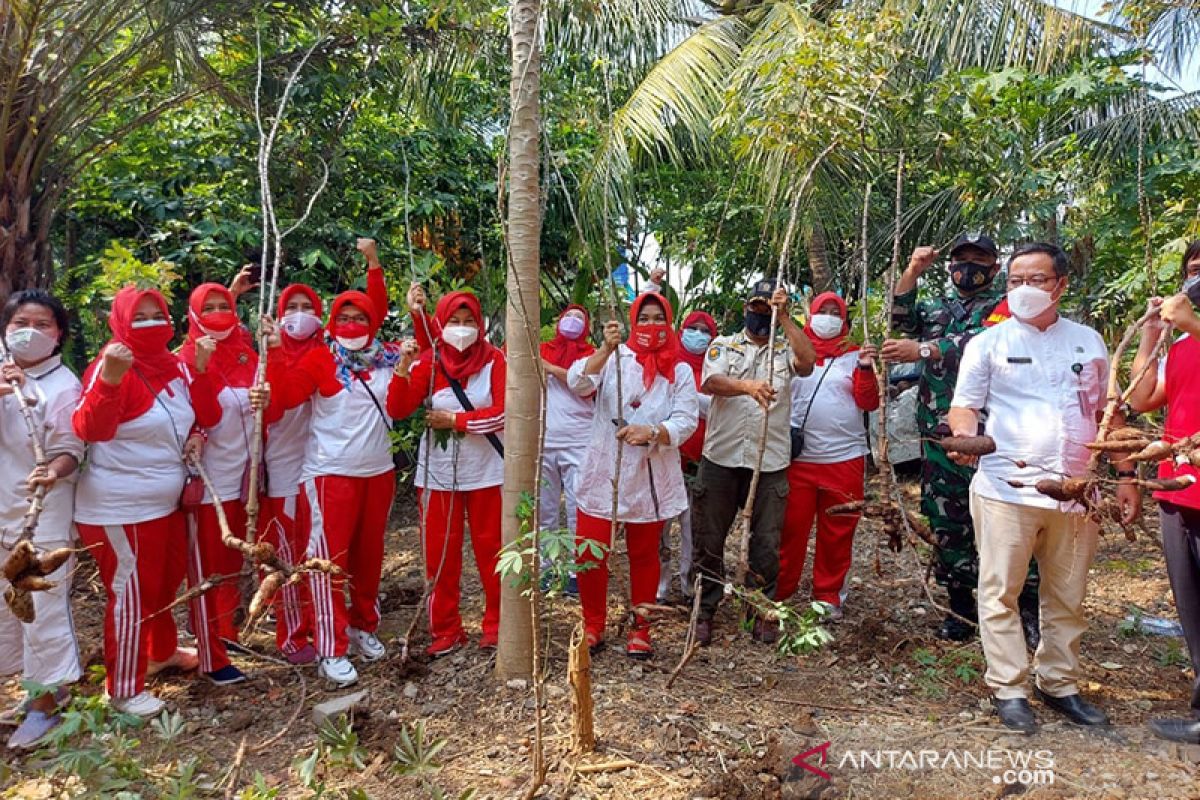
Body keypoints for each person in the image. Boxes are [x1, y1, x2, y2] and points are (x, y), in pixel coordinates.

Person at [948, 242, 1140, 734]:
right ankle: (1009, 688)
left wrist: (1123, 475)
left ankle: (1058, 683)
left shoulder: (1089, 341)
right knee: (999, 592)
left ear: (1060, 286)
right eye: (1015, 281)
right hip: (1006, 489)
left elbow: (1106, 416)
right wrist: (966, 436)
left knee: (1067, 594)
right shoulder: (987, 343)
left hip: (1078, 492)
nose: (1024, 290)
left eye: (1036, 280)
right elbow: (964, 406)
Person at [73, 286, 222, 717]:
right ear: (119, 322)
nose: (151, 323)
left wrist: (198, 436)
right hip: (121, 506)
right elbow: (89, 428)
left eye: (157, 314)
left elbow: (201, 415)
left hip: (166, 501)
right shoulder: (111, 366)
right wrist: (110, 379)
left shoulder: (173, 365)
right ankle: (121, 688)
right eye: (139, 317)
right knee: (132, 593)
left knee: (162, 584)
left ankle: (160, 652)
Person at [884, 235, 1040, 645]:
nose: (967, 267)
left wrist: (923, 350)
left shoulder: (1006, 307)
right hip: (939, 436)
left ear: (994, 268)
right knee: (948, 523)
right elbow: (899, 319)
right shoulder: (937, 308)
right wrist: (913, 271)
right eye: (960, 260)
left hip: (994, 438)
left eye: (978, 260)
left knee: (1010, 523)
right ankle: (959, 607)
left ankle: (1026, 608)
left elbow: (980, 345)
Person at [256, 240, 387, 665]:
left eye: (359, 317)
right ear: (332, 321)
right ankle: (331, 646)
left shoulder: (384, 359)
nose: (351, 323)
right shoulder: (320, 360)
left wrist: (374, 266)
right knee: (328, 561)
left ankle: (363, 625)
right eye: (343, 317)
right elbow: (286, 399)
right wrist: (274, 353)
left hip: (378, 472)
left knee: (368, 559)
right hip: (329, 473)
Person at [568, 292, 698, 658]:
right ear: (632, 321)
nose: (652, 326)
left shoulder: (681, 369)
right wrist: (604, 351)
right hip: (604, 469)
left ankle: (641, 628)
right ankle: (593, 623)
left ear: (669, 322)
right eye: (646, 318)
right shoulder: (615, 359)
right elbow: (579, 383)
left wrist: (653, 432)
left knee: (644, 553)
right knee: (589, 551)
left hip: (649, 473)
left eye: (660, 318)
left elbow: (686, 419)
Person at [691, 279, 814, 646]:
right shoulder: (724, 345)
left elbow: (807, 362)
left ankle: (761, 610)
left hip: (770, 459)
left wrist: (787, 319)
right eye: (757, 306)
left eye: (768, 308)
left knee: (766, 541)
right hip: (721, 458)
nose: (761, 314)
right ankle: (705, 609)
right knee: (708, 537)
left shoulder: (784, 348)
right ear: (746, 307)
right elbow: (710, 382)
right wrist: (747, 387)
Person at [391, 288, 505, 657]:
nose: (461, 329)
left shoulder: (495, 360)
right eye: (453, 322)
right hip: (437, 475)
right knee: (440, 554)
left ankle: (498, 625)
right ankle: (446, 628)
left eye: (469, 321)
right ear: (441, 323)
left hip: (488, 474)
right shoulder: (430, 361)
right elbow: (398, 407)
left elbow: (505, 412)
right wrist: (404, 367)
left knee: (494, 552)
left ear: (481, 324)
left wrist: (457, 420)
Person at [0, 290, 84, 749]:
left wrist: (50, 473)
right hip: (0, 509)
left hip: (42, 514)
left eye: (43, 324)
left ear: (58, 337)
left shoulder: (63, 385)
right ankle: (34, 691)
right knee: (9, 608)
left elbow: (72, 450)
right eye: (19, 323)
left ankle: (49, 703)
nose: (29, 331)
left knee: (44, 609)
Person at [1129, 239, 1200, 744]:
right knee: (1192, 605)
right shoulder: (1181, 344)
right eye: (1194, 270)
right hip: (1178, 491)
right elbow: (1142, 398)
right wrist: (1152, 334)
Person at [775, 292, 879, 621]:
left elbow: (868, 402)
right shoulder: (791, 350)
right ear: (812, 315)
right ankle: (780, 591)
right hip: (798, 459)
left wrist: (864, 367)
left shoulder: (855, 355)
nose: (830, 316)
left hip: (845, 457)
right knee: (789, 529)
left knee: (838, 530)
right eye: (824, 310)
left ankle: (828, 594)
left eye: (837, 311)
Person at [178, 283, 257, 687]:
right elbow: (204, 416)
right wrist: (204, 369)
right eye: (207, 308)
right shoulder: (187, 359)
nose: (217, 313)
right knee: (207, 569)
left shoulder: (244, 349)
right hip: (209, 481)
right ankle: (211, 653)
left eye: (223, 305)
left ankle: (225, 635)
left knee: (228, 566)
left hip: (246, 478)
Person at [259, 283, 324, 665]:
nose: (299, 314)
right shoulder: (267, 357)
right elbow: (276, 407)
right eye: (292, 306)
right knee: (288, 554)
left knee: (316, 550)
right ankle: (292, 634)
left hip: (322, 467)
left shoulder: (330, 353)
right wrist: (275, 354)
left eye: (307, 306)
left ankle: (321, 622)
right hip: (284, 467)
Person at [659, 308, 718, 603]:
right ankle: (660, 586)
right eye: (692, 328)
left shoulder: (717, 367)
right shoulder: (666, 362)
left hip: (704, 458)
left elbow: (720, 406)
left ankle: (688, 584)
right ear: (681, 332)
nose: (699, 335)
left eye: (705, 330)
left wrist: (689, 400)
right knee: (660, 524)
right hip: (667, 456)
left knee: (694, 527)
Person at [538, 304, 595, 595]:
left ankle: (576, 572)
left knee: (577, 508)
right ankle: (546, 570)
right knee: (544, 510)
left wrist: (549, 369)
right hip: (542, 440)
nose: (573, 321)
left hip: (579, 440)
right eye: (569, 316)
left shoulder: (592, 355)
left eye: (579, 317)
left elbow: (586, 386)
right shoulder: (542, 348)